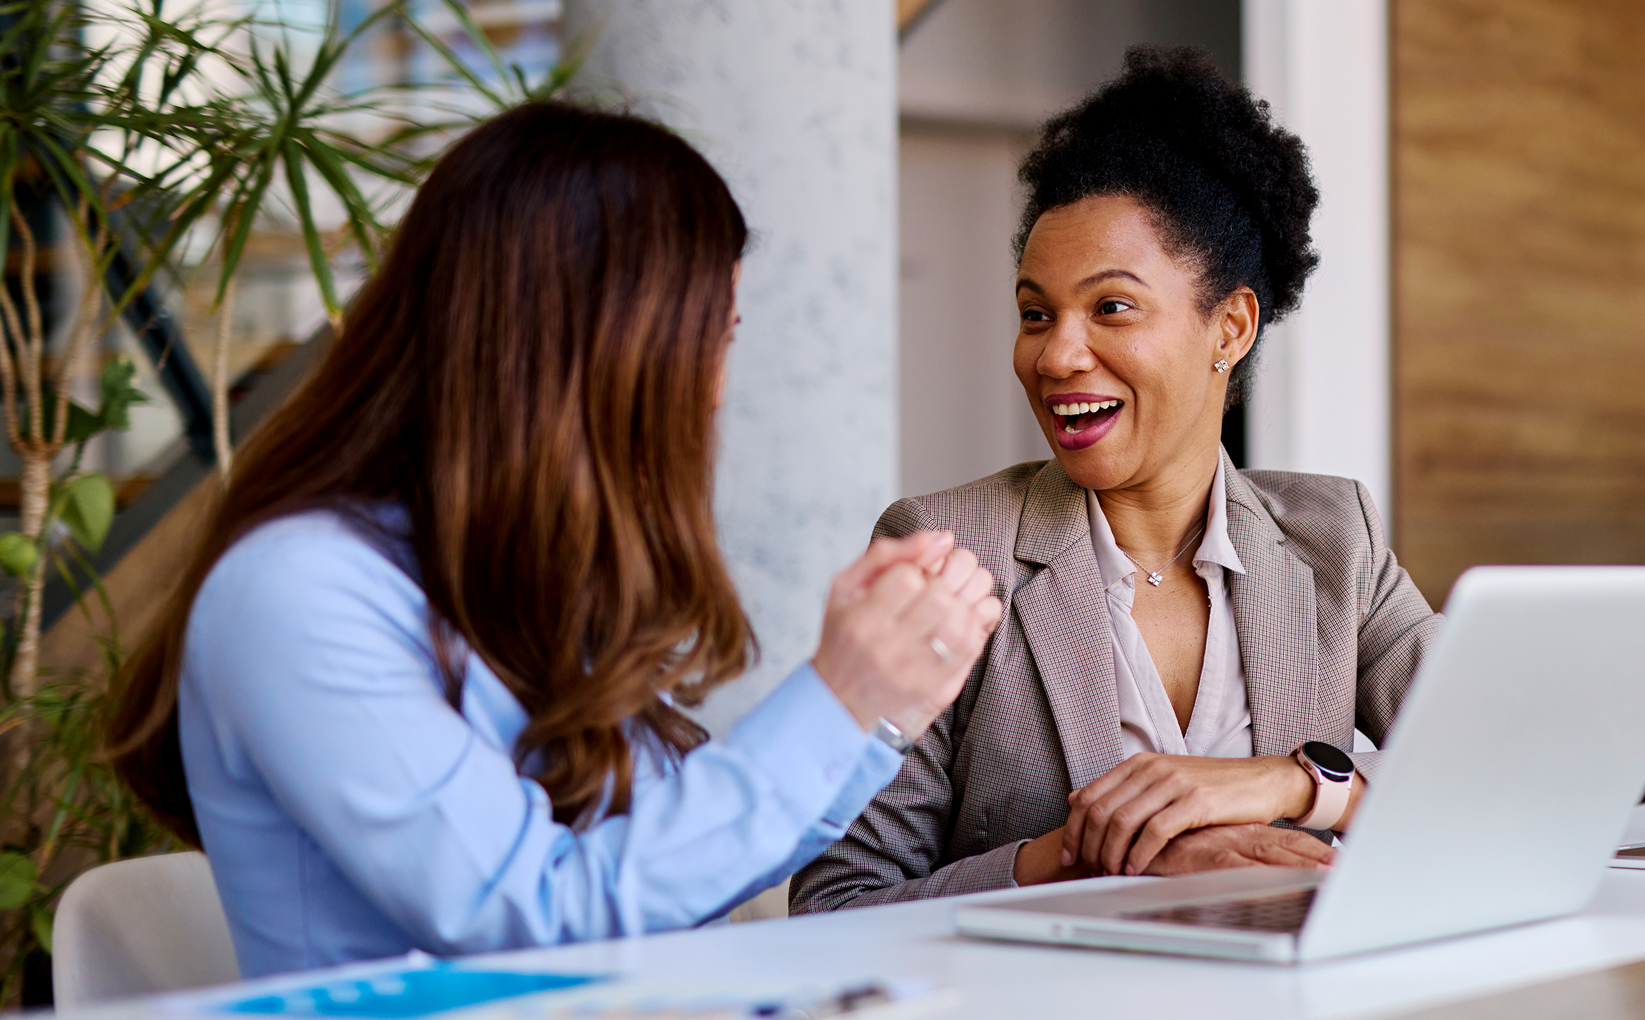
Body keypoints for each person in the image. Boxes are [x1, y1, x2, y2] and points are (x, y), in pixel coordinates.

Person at [102, 102, 1002, 978]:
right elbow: (530, 914)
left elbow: (672, 872)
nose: (718, 390)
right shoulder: (297, 590)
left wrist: (879, 719)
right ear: (605, 347)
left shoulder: (512, 573)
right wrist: (837, 700)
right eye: (711, 340)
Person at [790, 47, 1439, 912]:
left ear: (1230, 327)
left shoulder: (1335, 540)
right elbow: (838, 902)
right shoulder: (948, 551)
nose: (1056, 354)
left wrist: (1301, 787)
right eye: (1034, 314)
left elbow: (1517, 770)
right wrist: (1084, 860)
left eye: (1111, 308)